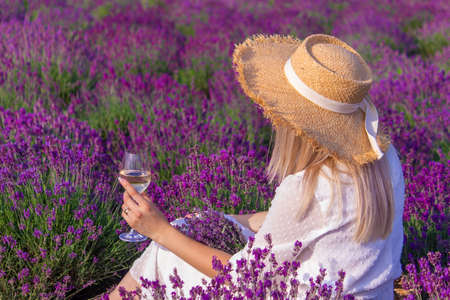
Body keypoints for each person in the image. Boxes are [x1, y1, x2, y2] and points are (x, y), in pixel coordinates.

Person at [109, 33, 405, 299]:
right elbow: (316, 225)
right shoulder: (384, 159)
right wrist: (218, 218)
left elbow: (240, 280)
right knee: (191, 224)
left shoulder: (306, 188)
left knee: (167, 252)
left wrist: (158, 230)